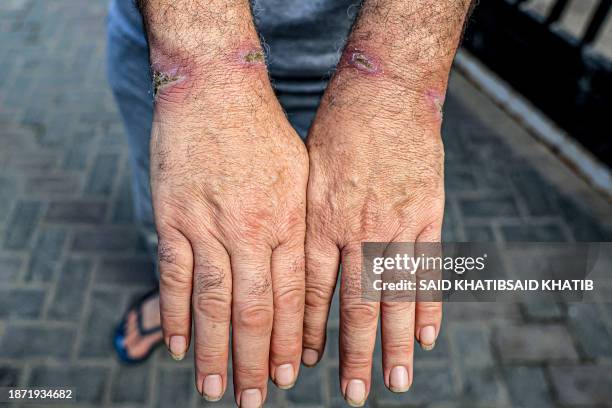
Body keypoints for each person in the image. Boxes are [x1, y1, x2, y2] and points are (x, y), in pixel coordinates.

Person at [106, 0, 473, 406]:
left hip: (373, 56)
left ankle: (279, 300)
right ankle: (172, 296)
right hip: (172, 43)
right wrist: (201, 63)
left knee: (342, 232)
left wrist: (397, 79)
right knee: (183, 223)